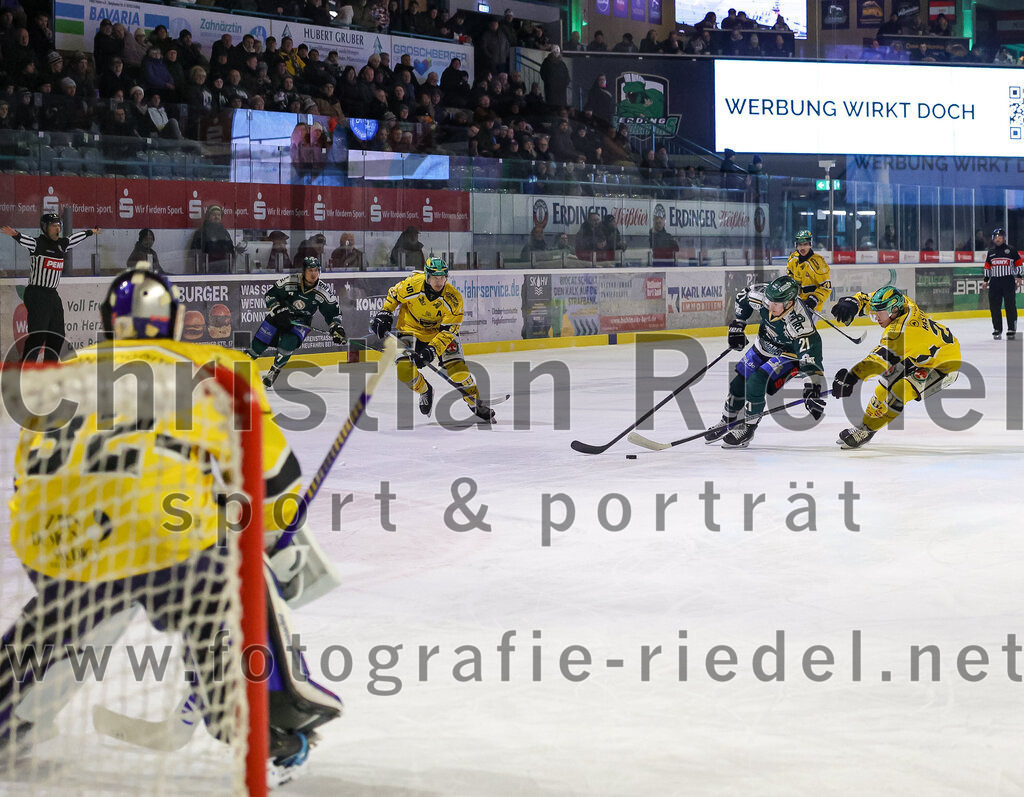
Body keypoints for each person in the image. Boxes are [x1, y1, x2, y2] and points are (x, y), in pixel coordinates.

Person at [0, 268, 342, 782]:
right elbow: (273, 482)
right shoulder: (215, 371)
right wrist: (279, 547)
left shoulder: (60, 377)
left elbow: (28, 479)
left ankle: (10, 717)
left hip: (53, 537)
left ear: (104, 322)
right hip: (165, 533)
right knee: (231, 597)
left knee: (57, 619)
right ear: (178, 322)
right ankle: (266, 733)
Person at [830, 286, 962, 448]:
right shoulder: (904, 304)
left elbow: (877, 362)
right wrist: (853, 303)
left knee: (899, 391)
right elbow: (869, 299)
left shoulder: (903, 331)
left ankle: (867, 430)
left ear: (893, 310)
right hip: (920, 355)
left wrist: (851, 378)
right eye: (876, 313)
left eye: (880, 314)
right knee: (883, 388)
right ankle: (864, 429)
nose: (876, 317)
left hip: (944, 365)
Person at [706, 275, 826, 449]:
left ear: (790, 302)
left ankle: (748, 427)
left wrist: (813, 385)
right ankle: (727, 421)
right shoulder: (764, 296)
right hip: (763, 345)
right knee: (738, 383)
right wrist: (738, 323)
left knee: (756, 382)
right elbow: (744, 296)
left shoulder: (800, 323)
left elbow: (810, 354)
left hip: (789, 356)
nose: (771, 306)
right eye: (770, 301)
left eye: (777, 304)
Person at [369, 256, 495, 422]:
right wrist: (385, 312)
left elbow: (449, 332)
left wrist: (431, 350)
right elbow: (394, 294)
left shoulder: (453, 299)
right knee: (405, 371)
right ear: (427, 276)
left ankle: (474, 402)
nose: (439, 282)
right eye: (435, 277)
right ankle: (425, 390)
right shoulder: (411, 284)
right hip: (410, 329)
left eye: (442, 277)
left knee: (458, 372)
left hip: (439, 333)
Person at [2, 214, 100, 362]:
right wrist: (15, 234)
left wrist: (90, 232)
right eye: (54, 226)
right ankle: (25, 369)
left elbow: (74, 238)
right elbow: (26, 240)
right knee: (38, 335)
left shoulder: (61, 244)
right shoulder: (38, 244)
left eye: (59, 225)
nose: (57, 228)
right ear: (45, 228)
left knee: (57, 334)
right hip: (36, 293)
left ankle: (50, 367)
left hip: (52, 294)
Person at [244, 257, 346, 388]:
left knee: (288, 344)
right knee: (258, 345)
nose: (314, 274)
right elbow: (270, 294)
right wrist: (278, 309)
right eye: (310, 270)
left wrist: (336, 327)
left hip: (301, 323)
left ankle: (272, 373)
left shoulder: (323, 291)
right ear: (304, 271)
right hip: (279, 316)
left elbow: (333, 312)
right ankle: (236, 371)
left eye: (316, 270)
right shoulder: (290, 281)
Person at [981, 227, 1023, 340]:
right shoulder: (991, 252)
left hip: (1008, 280)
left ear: (1004, 238)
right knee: (994, 307)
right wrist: (985, 280)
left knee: (1010, 305)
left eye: (1000, 237)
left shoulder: (1011, 250)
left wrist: (1019, 276)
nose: (998, 239)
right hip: (995, 282)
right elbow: (987, 267)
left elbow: (1019, 263)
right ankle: (997, 329)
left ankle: (1011, 328)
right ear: (993, 239)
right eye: (996, 237)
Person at [786, 230, 832, 312]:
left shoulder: (818, 263)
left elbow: (826, 287)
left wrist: (814, 299)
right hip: (796, 303)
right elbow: (790, 277)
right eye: (800, 244)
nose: (802, 248)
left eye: (805, 244)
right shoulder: (793, 258)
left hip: (812, 306)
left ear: (810, 244)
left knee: (807, 325)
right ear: (796, 245)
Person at [188, 205, 235, 272]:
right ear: (208, 216)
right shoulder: (201, 233)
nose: (217, 217)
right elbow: (194, 254)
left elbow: (231, 250)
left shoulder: (224, 233)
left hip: (223, 270)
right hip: (206, 271)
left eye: (219, 215)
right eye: (214, 214)